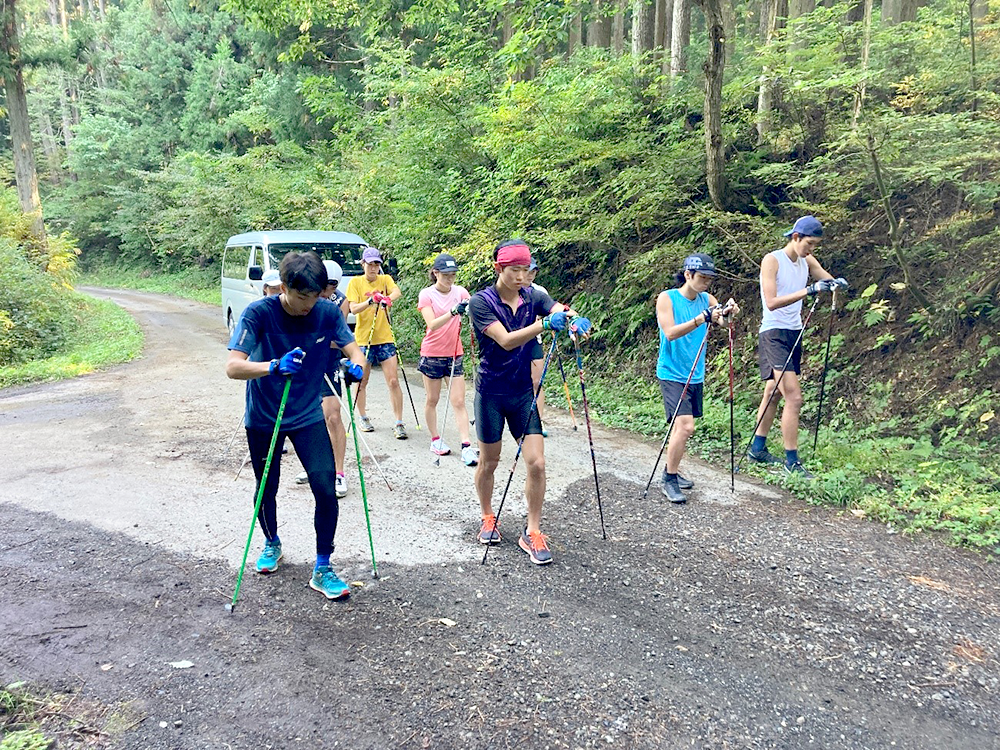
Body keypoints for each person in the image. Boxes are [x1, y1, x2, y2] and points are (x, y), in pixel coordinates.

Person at [226, 251, 367, 601]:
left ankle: (323, 567)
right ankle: (272, 542)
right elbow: (233, 367)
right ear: (285, 287)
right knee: (267, 486)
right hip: (265, 416)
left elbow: (356, 351)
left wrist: (357, 368)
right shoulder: (259, 313)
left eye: (315, 295)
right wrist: (272, 366)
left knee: (326, 487)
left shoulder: (327, 311)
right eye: (302, 296)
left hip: (307, 414)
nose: (309, 304)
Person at [468, 238, 590, 565]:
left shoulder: (532, 295)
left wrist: (573, 319)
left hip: (523, 392)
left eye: (526, 270)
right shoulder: (480, 303)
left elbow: (557, 308)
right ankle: (487, 515)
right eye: (514, 270)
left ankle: (532, 530)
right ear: (499, 269)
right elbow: (506, 341)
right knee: (489, 462)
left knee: (537, 462)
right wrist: (544, 324)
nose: (521, 277)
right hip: (491, 392)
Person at [748, 216, 847, 477]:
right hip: (773, 334)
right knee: (794, 396)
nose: (811, 249)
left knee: (774, 391)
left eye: (815, 245)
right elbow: (771, 301)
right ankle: (792, 461)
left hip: (794, 332)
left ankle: (757, 448)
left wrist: (836, 284)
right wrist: (810, 290)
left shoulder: (807, 260)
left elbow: (827, 280)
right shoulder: (773, 260)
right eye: (809, 244)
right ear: (795, 237)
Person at [655, 253, 739, 504]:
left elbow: (723, 323)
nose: (706, 283)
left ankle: (672, 469)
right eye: (702, 277)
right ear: (688, 275)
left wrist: (729, 313)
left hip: (695, 372)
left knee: (683, 428)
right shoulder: (667, 298)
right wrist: (701, 318)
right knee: (685, 426)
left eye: (709, 279)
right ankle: (669, 478)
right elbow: (670, 333)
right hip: (671, 372)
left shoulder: (707, 299)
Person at [295, 261, 351, 498]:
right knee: (309, 416)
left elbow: (341, 338)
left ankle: (338, 472)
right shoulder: (306, 297)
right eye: (324, 284)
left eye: (332, 285)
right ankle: (315, 466)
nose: (328, 290)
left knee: (333, 415)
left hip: (329, 363)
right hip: (307, 364)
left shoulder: (340, 301)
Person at [417, 253, 477, 466]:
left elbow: (472, 308)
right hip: (432, 354)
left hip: (454, 353)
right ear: (436, 273)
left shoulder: (460, 292)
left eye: (453, 275)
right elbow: (432, 324)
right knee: (432, 400)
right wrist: (453, 311)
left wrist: (469, 308)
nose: (450, 279)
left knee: (459, 401)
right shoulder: (427, 294)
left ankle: (467, 445)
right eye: (446, 275)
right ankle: (435, 439)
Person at [345, 246, 408, 439]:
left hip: (385, 337)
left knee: (393, 380)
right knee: (362, 380)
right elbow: (353, 309)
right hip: (364, 339)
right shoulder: (355, 282)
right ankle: (362, 416)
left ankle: (398, 422)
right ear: (363, 264)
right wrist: (371, 301)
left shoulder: (385, 279)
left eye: (376, 264)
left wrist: (387, 299)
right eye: (370, 264)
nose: (373, 268)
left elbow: (397, 292)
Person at [523, 259, 548, 436]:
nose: (531, 275)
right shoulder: (511, 290)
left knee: (536, 382)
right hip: (513, 341)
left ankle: (538, 421)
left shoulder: (540, 291)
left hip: (534, 340)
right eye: (528, 271)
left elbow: (548, 310)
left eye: (534, 271)